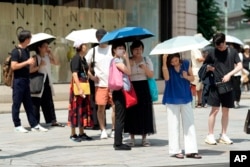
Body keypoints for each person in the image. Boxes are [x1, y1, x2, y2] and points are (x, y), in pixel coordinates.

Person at [203, 32, 242, 145]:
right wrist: (209, 68)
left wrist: (230, 74)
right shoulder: (212, 52)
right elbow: (205, 66)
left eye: (220, 45)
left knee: (226, 111)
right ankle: (210, 135)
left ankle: (223, 134)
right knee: (214, 110)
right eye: (217, 45)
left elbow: (239, 66)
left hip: (228, 85)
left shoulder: (232, 52)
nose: (219, 48)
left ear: (225, 42)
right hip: (215, 86)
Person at [162, 53, 202, 159]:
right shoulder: (167, 67)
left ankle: (191, 150)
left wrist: (186, 76)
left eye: (175, 60)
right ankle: (175, 151)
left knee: (189, 124)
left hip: (186, 97)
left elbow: (193, 78)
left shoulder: (186, 63)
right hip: (171, 98)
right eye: (171, 62)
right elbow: (166, 77)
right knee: (173, 125)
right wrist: (164, 60)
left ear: (178, 57)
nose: (174, 63)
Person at [11, 30, 48, 133]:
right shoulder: (15, 51)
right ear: (26, 39)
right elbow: (13, 66)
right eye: (30, 38)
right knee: (17, 104)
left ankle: (34, 124)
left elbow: (27, 67)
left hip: (26, 80)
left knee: (29, 104)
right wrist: (26, 62)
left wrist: (31, 64)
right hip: (18, 81)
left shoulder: (26, 51)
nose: (30, 40)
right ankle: (17, 125)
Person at [124, 40, 156, 147]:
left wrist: (144, 68)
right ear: (132, 50)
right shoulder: (128, 60)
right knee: (131, 111)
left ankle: (144, 138)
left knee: (145, 111)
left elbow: (151, 75)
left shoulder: (147, 59)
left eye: (140, 49)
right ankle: (131, 137)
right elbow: (124, 74)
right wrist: (129, 64)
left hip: (143, 87)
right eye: (136, 49)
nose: (138, 51)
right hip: (132, 87)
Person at [85, 29, 114, 139]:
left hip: (113, 84)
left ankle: (114, 129)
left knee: (115, 107)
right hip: (100, 84)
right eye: (100, 37)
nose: (102, 39)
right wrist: (92, 77)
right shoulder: (93, 51)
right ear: (97, 39)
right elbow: (85, 67)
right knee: (100, 107)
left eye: (104, 37)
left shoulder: (112, 49)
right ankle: (103, 130)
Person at [30, 40, 64, 127]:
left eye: (47, 46)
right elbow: (29, 70)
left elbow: (57, 63)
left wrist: (51, 53)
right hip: (38, 82)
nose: (47, 48)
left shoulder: (47, 57)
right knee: (36, 103)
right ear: (39, 48)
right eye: (45, 46)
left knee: (49, 102)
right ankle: (35, 122)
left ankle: (52, 120)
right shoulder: (35, 58)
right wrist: (39, 66)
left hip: (47, 82)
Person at [68, 39, 93, 142]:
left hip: (84, 86)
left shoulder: (83, 59)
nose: (86, 46)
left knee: (82, 110)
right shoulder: (76, 59)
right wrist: (79, 88)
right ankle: (73, 134)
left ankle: (81, 132)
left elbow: (86, 72)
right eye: (84, 45)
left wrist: (94, 78)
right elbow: (74, 74)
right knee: (75, 110)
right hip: (78, 87)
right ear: (79, 47)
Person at [111, 41, 132, 150]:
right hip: (120, 91)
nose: (122, 49)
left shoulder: (114, 61)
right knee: (120, 117)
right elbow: (129, 72)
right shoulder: (117, 61)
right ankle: (118, 143)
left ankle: (117, 142)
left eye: (123, 48)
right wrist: (127, 59)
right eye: (119, 48)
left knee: (120, 116)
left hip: (117, 91)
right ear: (114, 50)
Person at [228, 43, 243, 108]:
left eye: (231, 46)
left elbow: (238, 63)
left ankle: (237, 100)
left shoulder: (239, 54)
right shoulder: (229, 53)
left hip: (237, 73)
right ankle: (232, 101)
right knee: (231, 88)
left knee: (237, 88)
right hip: (230, 73)